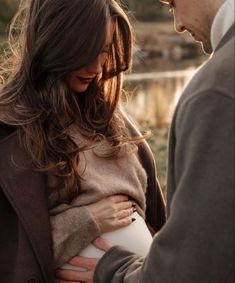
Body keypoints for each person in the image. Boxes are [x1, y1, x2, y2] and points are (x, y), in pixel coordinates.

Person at [60, 0, 234, 282]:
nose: (176, 24)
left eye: (173, 4)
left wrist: (115, 270)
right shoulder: (12, 130)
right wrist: (83, 222)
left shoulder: (216, 90)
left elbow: (190, 266)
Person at [0, 0, 166, 282]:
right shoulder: (8, 132)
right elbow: (12, 251)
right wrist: (86, 221)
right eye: (87, 51)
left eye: (104, 52)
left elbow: (159, 224)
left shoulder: (115, 121)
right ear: (55, 41)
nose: (98, 66)